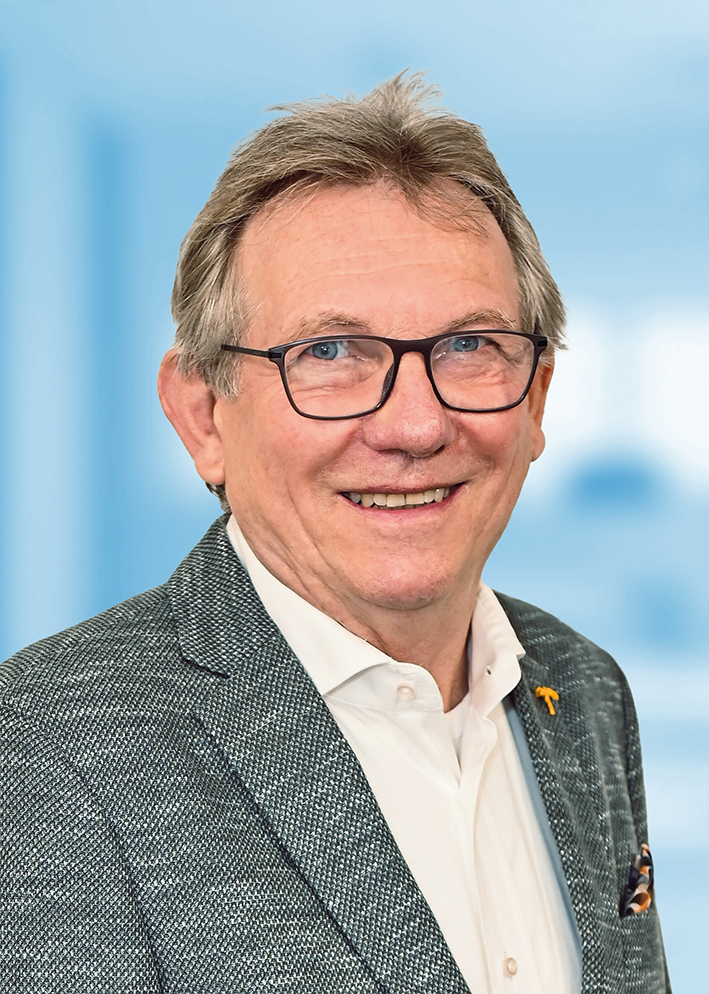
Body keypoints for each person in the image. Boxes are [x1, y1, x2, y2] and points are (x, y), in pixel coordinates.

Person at [0, 74, 669, 993]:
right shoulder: (42, 749)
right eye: (329, 353)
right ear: (201, 415)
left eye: (469, 347)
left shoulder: (582, 686)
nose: (414, 426)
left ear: (537, 398)